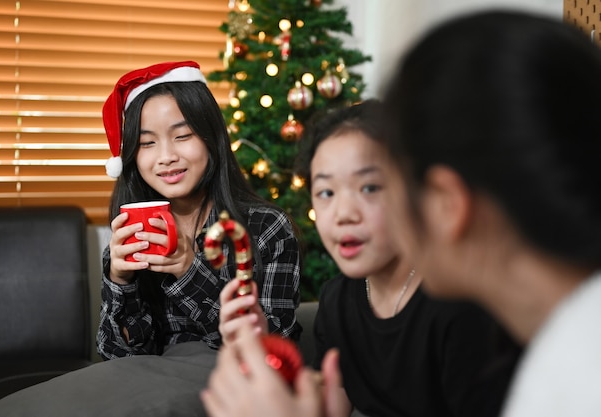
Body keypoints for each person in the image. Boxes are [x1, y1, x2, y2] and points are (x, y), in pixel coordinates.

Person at [201, 10, 601, 417]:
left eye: (379, 184)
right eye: (325, 191)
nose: (344, 212)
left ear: (449, 199)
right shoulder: (562, 344)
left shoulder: (557, 368)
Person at [304, 100, 518, 417]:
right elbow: (332, 398)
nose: (343, 214)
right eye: (326, 193)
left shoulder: (459, 305)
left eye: (370, 187)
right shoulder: (336, 300)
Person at [97, 61, 301, 359]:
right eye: (147, 143)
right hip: (155, 390)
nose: (166, 157)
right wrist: (119, 281)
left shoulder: (267, 228)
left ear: (211, 139)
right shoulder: (133, 233)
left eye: (182, 136)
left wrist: (189, 270)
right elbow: (116, 358)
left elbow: (273, 348)